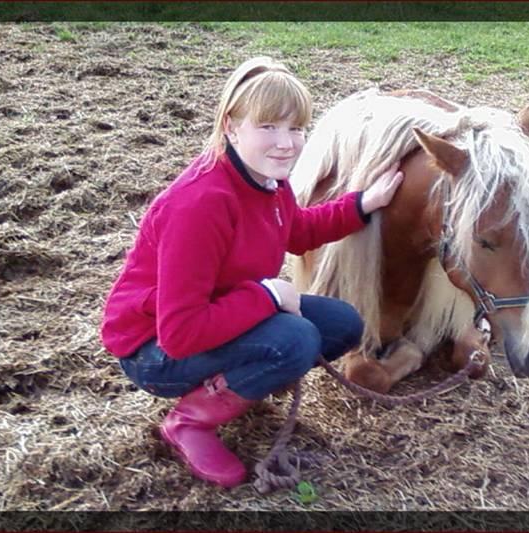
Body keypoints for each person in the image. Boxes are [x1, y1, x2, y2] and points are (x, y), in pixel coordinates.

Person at [100, 56, 404, 489]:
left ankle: (240, 384)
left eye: (296, 128)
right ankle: (188, 422)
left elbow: (296, 231)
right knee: (294, 340)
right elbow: (180, 333)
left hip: (219, 310)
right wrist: (267, 296)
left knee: (342, 324)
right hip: (152, 349)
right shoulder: (200, 205)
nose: (286, 143)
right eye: (268, 127)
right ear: (230, 125)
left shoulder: (266, 179)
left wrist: (362, 204)